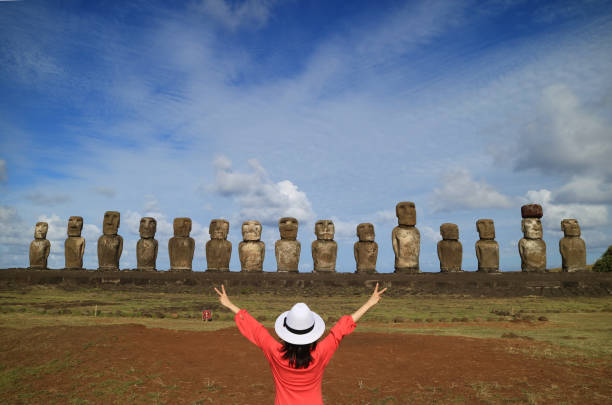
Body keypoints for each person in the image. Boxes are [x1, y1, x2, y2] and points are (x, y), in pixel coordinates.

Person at [214, 283, 388, 405]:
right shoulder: (321, 353)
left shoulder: (275, 352)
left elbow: (255, 328)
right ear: (312, 332)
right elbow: (341, 328)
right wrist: (369, 303)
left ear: (286, 331)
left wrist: (229, 304)